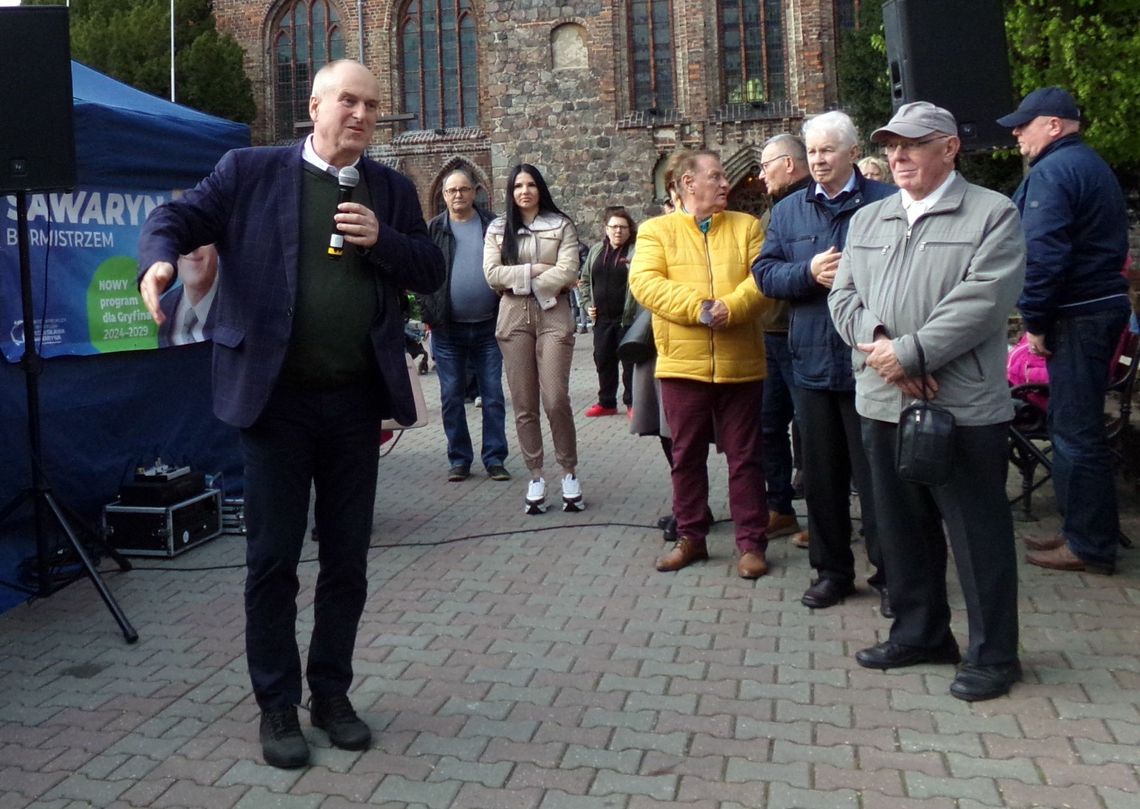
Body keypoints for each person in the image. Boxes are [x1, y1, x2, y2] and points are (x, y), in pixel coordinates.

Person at [136, 60, 445, 769]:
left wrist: (383, 239)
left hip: (353, 403)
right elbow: (176, 217)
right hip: (274, 404)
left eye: (372, 104)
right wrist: (159, 261)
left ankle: (330, 694)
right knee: (272, 560)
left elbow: (427, 269)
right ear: (315, 104)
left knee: (347, 560)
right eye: (348, 100)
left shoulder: (390, 189)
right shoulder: (251, 172)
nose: (361, 114)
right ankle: (276, 703)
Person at [830, 100, 1026, 701]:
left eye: (912, 144)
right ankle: (920, 633)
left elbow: (983, 302)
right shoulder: (869, 219)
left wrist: (910, 355)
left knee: (977, 533)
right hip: (884, 404)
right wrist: (888, 351)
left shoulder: (992, 214)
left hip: (961, 408)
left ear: (949, 148)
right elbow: (844, 297)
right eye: (891, 145)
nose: (898, 155)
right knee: (899, 527)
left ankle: (994, 654)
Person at [753, 111, 894, 612]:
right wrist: (807, 272)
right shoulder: (789, 212)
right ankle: (832, 573)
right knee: (821, 477)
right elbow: (765, 275)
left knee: (878, 478)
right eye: (812, 151)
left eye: (828, 150)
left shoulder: (885, 203)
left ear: (852, 153)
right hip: (810, 363)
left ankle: (891, 576)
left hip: (869, 361)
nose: (818, 159)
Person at [996, 87, 1132, 575]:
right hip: (1094, 309)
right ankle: (1080, 531)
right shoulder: (1086, 164)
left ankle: (1090, 545)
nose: (1015, 132)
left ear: (1054, 125)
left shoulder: (1054, 171)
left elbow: (1045, 254)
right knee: (1075, 428)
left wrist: (1035, 319)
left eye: (1024, 123)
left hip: (1077, 314)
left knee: (1075, 432)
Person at [629, 149, 771, 579]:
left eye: (725, 175)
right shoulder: (656, 231)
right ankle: (691, 537)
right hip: (681, 364)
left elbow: (763, 279)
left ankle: (751, 545)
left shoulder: (747, 227)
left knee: (745, 457)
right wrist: (701, 308)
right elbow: (645, 283)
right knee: (685, 455)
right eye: (716, 175)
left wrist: (731, 306)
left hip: (740, 361)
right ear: (688, 183)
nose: (726, 183)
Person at [483, 163, 583, 514]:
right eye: (518, 186)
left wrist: (525, 278)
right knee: (524, 404)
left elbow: (569, 270)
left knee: (555, 398)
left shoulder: (561, 224)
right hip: (512, 315)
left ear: (540, 188)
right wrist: (536, 270)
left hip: (553, 311)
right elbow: (492, 274)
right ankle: (536, 475)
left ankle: (568, 470)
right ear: (510, 192)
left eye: (530, 185)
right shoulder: (498, 228)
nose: (524, 191)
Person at [419, 168, 510, 483]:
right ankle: (459, 459)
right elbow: (421, 276)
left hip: (489, 327)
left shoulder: (493, 225)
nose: (458, 195)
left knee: (493, 395)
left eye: (464, 189)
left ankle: (495, 458)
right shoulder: (433, 229)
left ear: (475, 191)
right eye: (452, 190)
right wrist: (428, 310)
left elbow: (510, 263)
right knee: (450, 396)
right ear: (444, 195)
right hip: (447, 329)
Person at [757, 134, 812, 543]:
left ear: (789, 164)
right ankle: (780, 507)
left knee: (813, 427)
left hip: (804, 332)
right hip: (769, 334)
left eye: (766, 166)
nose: (760, 176)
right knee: (768, 424)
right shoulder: (773, 210)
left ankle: (828, 515)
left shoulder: (813, 204)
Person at [579, 206, 638, 417]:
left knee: (630, 363)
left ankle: (633, 404)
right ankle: (607, 403)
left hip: (627, 319)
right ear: (606, 229)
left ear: (630, 230)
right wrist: (587, 305)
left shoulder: (635, 252)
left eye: (622, 227)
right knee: (603, 360)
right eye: (613, 227)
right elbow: (584, 280)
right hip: (601, 319)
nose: (618, 231)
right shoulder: (596, 251)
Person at [157, 244, 219, 347]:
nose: (191, 248)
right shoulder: (164, 307)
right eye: (181, 235)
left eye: (202, 234)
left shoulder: (239, 305)